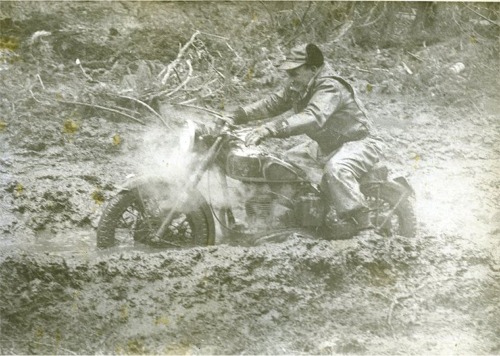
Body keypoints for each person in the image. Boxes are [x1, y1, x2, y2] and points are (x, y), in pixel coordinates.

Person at [229, 43, 384, 238]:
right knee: (285, 164)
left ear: (313, 69)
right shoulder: (299, 84)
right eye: (289, 73)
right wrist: (238, 115)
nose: (290, 77)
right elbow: (272, 103)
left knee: (337, 169)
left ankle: (364, 227)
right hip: (328, 144)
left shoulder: (330, 86)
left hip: (361, 142)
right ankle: (305, 217)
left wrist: (271, 128)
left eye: (295, 72)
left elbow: (313, 116)